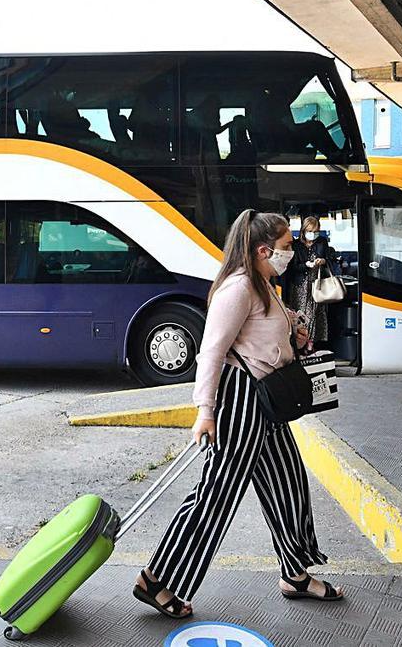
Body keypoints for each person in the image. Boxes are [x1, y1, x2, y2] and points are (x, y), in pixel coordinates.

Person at [134, 209, 337, 619]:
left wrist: (293, 334)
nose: (291, 251)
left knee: (289, 485)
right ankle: (157, 580)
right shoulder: (239, 288)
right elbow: (210, 350)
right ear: (263, 250)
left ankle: (294, 572)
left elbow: (261, 337)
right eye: (285, 246)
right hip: (241, 401)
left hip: (268, 401)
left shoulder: (263, 283)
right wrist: (204, 411)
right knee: (216, 496)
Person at [281, 216, 338, 350]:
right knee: (300, 315)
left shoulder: (322, 242)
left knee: (314, 314)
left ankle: (310, 343)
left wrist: (323, 261)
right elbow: (291, 268)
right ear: (304, 230)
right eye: (310, 231)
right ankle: (300, 343)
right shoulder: (296, 245)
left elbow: (330, 259)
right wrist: (306, 265)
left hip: (317, 284)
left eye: (316, 231)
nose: (313, 234)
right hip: (300, 286)